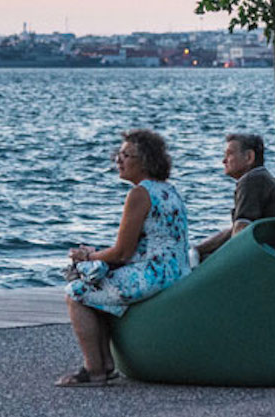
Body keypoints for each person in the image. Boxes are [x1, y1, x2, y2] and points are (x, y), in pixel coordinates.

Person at [56, 129, 190, 387]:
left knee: (76, 291)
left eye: (126, 155)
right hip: (176, 270)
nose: (118, 160)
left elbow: (122, 252)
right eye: (118, 154)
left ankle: (94, 370)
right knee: (101, 282)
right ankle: (106, 364)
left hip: (153, 274)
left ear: (146, 161)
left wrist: (86, 256)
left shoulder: (140, 194)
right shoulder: (169, 190)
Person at [192, 133, 275, 261]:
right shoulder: (267, 179)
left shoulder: (251, 180)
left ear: (249, 157)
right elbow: (236, 229)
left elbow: (240, 232)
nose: (224, 161)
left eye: (229, 154)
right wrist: (198, 249)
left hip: (267, 258)